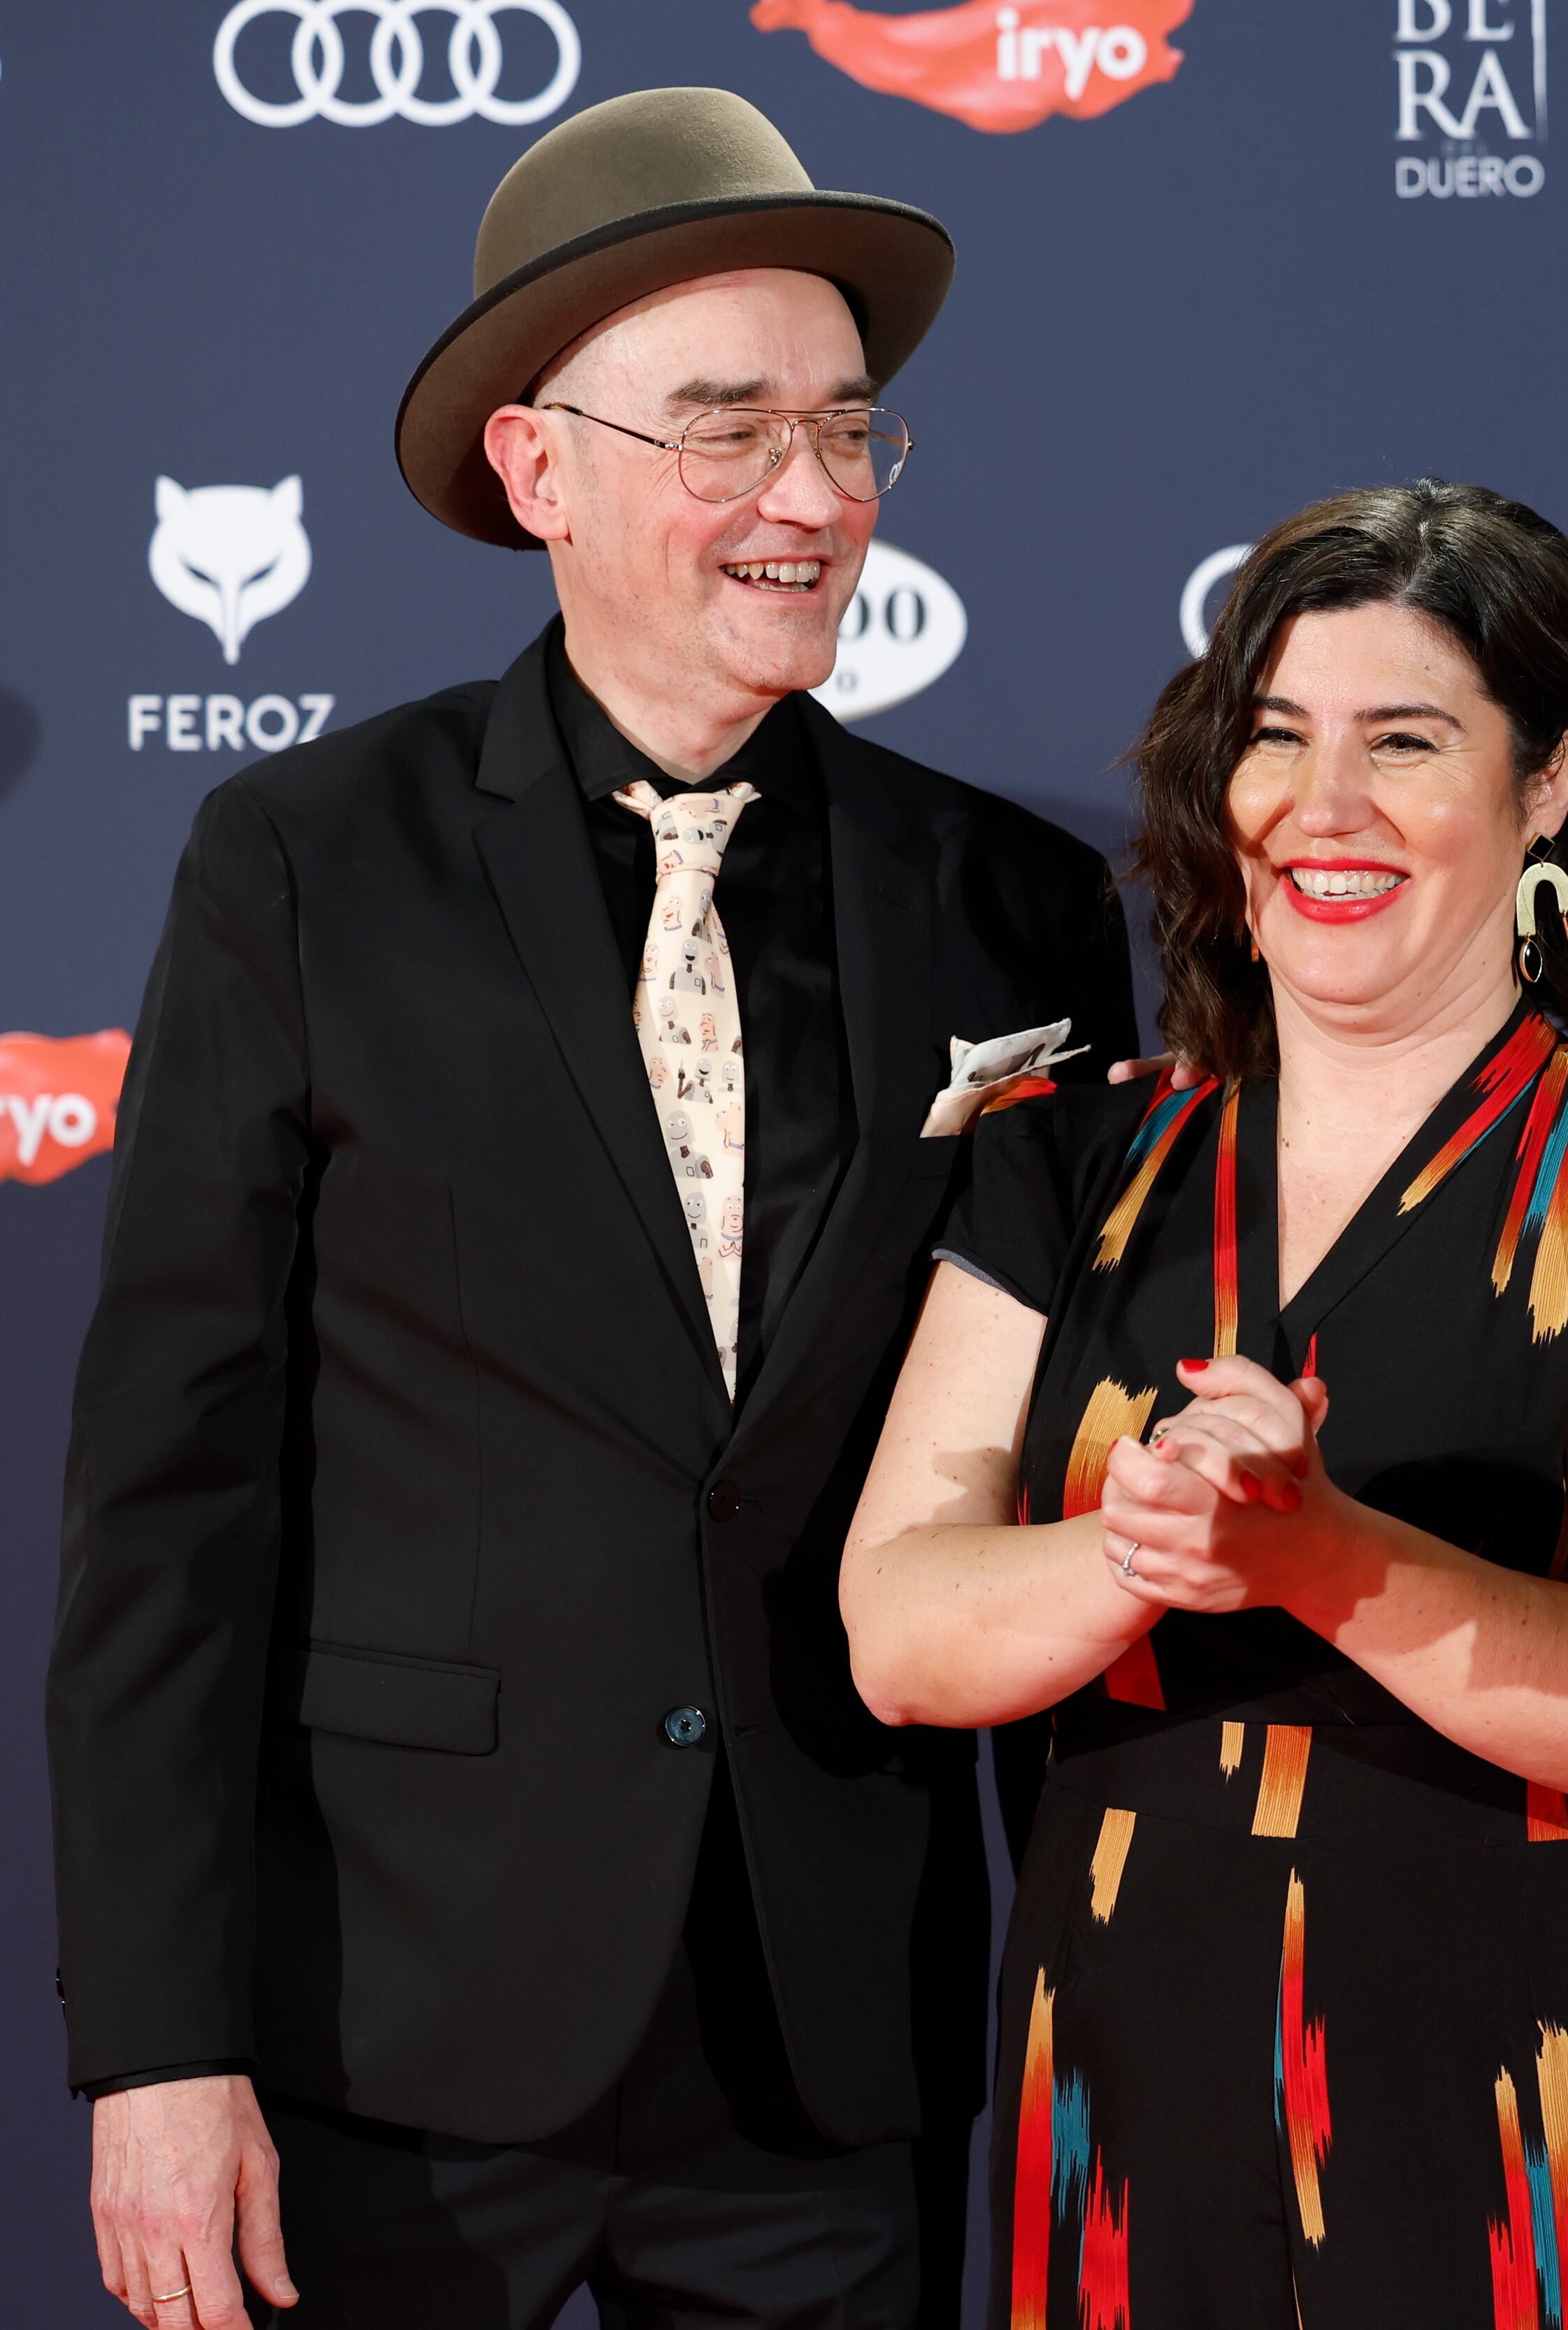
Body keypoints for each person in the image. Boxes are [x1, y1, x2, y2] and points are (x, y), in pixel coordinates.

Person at [48, 88, 1136, 2330]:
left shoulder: (1010, 900)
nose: (814, 499)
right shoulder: (305, 862)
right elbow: (172, 1494)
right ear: (541, 472)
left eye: (851, 433)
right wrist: (161, 2048)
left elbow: (1040, 1455)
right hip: (392, 2036)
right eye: (728, 433)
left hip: (830, 2037)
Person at [840, 479, 1568, 2328]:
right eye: (1278, 737)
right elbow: (902, 1630)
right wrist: (1151, 1543)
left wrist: (1322, 1554)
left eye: (1407, 740)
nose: (1327, 806)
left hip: (1539, 2142)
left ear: (1548, 787)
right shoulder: (1067, 1163)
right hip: (1132, 2129)